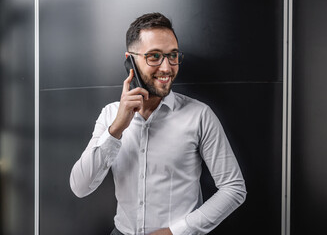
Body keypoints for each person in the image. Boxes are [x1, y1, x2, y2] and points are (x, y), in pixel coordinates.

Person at [70, 12, 246, 235]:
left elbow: (234, 188)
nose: (167, 68)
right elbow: (80, 186)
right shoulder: (109, 115)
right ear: (130, 60)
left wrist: (175, 232)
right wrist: (116, 129)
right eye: (154, 56)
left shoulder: (199, 115)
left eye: (172, 55)